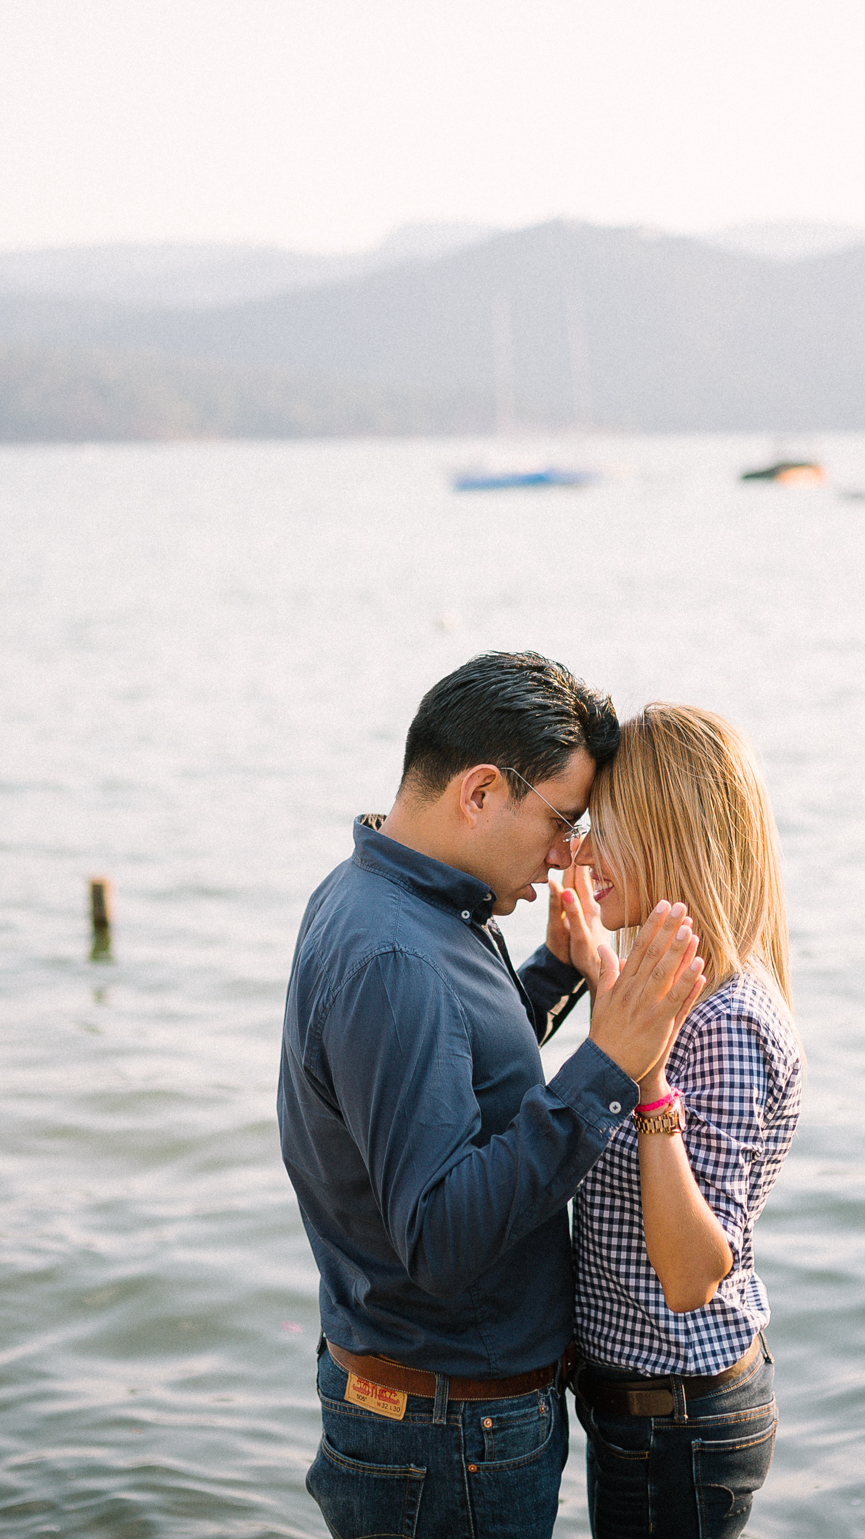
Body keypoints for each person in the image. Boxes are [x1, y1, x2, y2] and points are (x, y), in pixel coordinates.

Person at [278, 652, 708, 1539]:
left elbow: (457, 1069)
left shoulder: (391, 897)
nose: (566, 858)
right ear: (479, 792)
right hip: (447, 1433)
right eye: (560, 821)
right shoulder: (399, 958)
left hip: (428, 1409)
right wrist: (610, 1065)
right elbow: (439, 1235)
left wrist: (553, 973)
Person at [548, 703, 805, 1539]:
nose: (578, 853)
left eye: (602, 829)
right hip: (640, 1415)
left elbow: (693, 1274)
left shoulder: (727, 1021)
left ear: (670, 836)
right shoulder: (657, 990)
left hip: (680, 1424)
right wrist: (583, 972)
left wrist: (649, 1082)